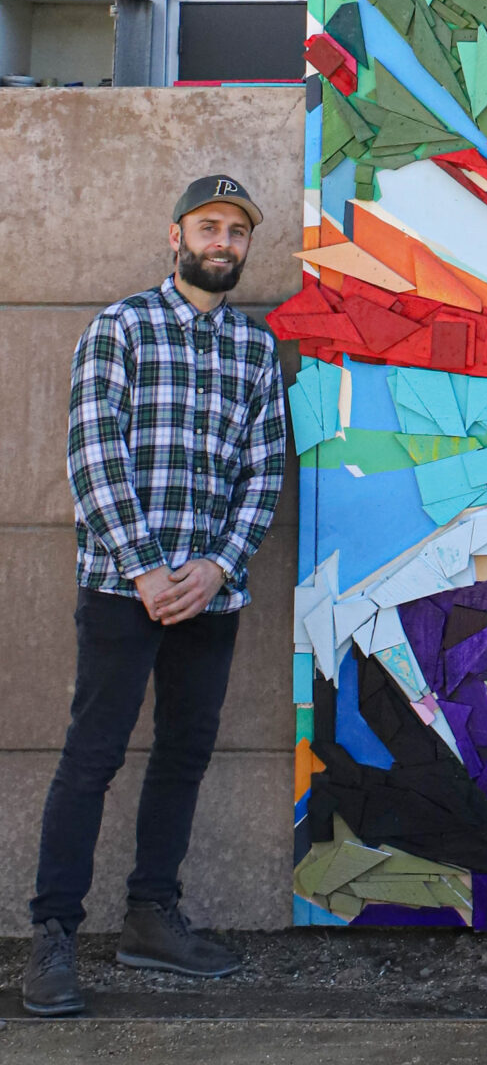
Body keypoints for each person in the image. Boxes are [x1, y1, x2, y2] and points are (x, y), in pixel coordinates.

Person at [22, 176, 288, 1017]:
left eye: (237, 233)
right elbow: (94, 456)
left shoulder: (254, 350)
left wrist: (215, 567)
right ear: (176, 237)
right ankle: (53, 937)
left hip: (212, 593)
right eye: (208, 227)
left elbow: (264, 469)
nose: (223, 243)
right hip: (119, 586)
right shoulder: (122, 329)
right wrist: (146, 569)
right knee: (91, 757)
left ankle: (150, 917)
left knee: (183, 754)